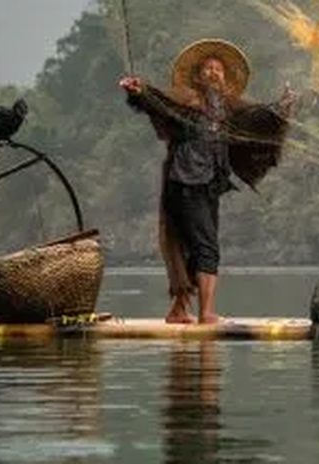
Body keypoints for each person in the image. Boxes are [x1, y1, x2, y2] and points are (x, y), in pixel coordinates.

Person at [119, 38, 295, 324]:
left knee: (190, 244)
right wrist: (139, 92)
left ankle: (178, 310)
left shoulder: (229, 108)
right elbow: (158, 103)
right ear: (198, 76)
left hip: (208, 184)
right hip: (186, 181)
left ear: (225, 77)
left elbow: (260, 117)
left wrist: (282, 106)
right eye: (208, 68)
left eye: (219, 69)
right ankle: (206, 313)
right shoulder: (187, 102)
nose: (214, 72)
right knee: (207, 246)